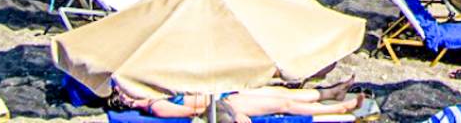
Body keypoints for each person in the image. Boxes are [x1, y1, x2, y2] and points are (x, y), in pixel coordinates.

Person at [112, 80, 364, 123]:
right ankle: (339, 108)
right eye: (126, 93)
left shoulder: (156, 94)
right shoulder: (157, 106)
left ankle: (329, 94)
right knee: (282, 104)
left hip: (223, 95)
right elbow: (196, 110)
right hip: (225, 104)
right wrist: (230, 108)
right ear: (127, 100)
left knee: (280, 92)